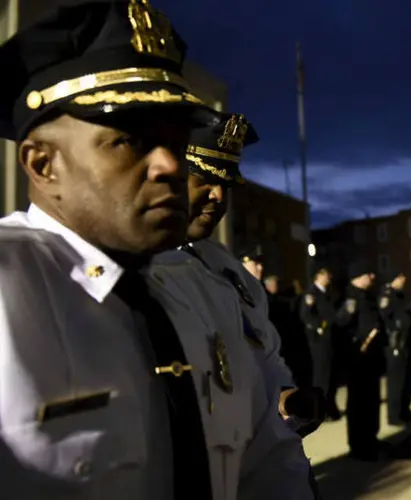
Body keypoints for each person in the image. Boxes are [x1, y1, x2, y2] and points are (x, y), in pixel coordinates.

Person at [0, 1, 315, 498]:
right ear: (43, 165)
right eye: (131, 140)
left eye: (175, 139)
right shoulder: (9, 290)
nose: (170, 164)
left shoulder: (206, 292)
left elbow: (269, 469)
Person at [173, 111, 325, 439]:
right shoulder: (137, 268)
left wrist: (285, 397)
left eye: (226, 185)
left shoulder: (228, 269)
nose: (218, 197)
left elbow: (266, 359)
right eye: (204, 179)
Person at [336, 261, 385, 460]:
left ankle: (371, 437)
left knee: (372, 401)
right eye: (368, 274)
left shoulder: (367, 297)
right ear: (358, 276)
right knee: (358, 404)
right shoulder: (350, 299)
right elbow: (341, 326)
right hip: (358, 361)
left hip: (372, 359)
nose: (372, 277)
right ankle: (358, 445)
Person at [300, 263, 342, 420]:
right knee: (321, 377)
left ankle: (330, 407)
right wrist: (319, 327)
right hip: (319, 341)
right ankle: (320, 410)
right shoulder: (311, 294)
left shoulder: (328, 293)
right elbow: (306, 316)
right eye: (325, 274)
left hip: (330, 340)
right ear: (318, 275)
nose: (328, 278)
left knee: (331, 376)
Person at [379, 270, 411, 426]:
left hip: (406, 342)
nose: (404, 279)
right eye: (401, 277)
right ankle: (394, 415)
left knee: (407, 379)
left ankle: (405, 410)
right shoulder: (387, 295)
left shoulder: (400, 294)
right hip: (395, 344)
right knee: (396, 382)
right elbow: (384, 317)